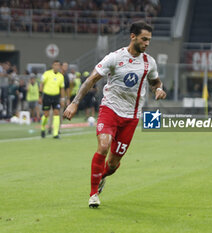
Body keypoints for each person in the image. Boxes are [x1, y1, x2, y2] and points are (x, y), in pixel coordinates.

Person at [63, 21, 166, 208]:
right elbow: (92, 79)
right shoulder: (114, 58)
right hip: (110, 109)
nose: (147, 43)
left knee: (112, 164)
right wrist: (74, 103)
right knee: (103, 146)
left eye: (149, 40)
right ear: (133, 37)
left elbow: (155, 82)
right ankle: (93, 194)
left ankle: (101, 177)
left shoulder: (149, 62)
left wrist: (159, 89)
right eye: (144, 39)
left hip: (132, 116)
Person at [39, 60, 65, 139]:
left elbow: (62, 88)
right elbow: (41, 84)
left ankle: (55, 133)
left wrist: (62, 99)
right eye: (55, 65)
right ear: (52, 66)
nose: (56, 66)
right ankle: (43, 128)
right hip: (47, 96)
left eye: (58, 65)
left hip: (56, 97)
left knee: (56, 113)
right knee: (46, 114)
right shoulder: (47, 74)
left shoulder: (61, 76)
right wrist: (40, 96)